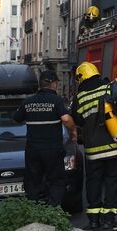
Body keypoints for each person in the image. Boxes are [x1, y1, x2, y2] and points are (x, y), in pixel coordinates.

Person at [71, 61, 117, 230]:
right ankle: (108, 219)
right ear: (96, 73)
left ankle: (93, 220)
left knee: (93, 183)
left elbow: (77, 120)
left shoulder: (79, 97)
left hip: (92, 151)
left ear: (81, 78)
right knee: (113, 182)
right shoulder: (108, 88)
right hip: (114, 147)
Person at [14, 70, 77, 207]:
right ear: (54, 85)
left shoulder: (28, 102)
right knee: (56, 181)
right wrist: (73, 131)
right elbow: (66, 119)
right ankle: (53, 212)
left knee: (33, 182)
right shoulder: (57, 101)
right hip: (52, 149)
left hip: (33, 150)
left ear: (40, 85)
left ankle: (34, 212)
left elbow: (17, 118)